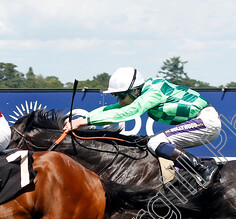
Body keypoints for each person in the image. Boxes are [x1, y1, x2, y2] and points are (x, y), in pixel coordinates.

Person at [63, 67, 222, 185]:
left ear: (135, 90)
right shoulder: (142, 92)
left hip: (206, 121)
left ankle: (204, 169)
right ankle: (178, 181)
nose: (118, 100)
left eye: (121, 95)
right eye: (115, 95)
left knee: (155, 142)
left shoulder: (153, 92)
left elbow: (129, 112)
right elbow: (114, 109)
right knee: (155, 147)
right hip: (201, 121)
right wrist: (85, 117)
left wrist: (85, 121)